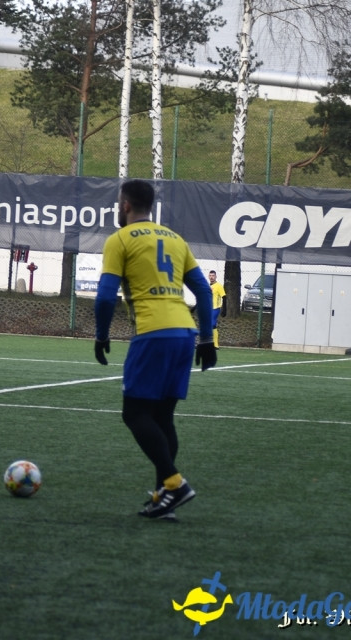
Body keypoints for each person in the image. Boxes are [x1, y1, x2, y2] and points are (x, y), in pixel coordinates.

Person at [93, 179, 217, 520]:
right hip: (184, 334)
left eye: (120, 203)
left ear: (126, 205)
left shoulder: (118, 240)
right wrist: (206, 339)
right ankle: (164, 498)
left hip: (153, 332)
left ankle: (174, 484)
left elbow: (105, 296)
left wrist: (101, 335)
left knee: (134, 414)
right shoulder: (175, 239)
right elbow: (204, 293)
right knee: (163, 417)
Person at [208, 269, 226, 348]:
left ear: (216, 277)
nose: (211, 277)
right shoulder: (208, 286)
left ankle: (215, 344)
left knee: (212, 324)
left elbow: (224, 297)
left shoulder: (219, 286)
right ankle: (214, 345)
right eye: (210, 276)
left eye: (213, 276)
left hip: (216, 308)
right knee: (212, 325)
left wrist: (224, 309)